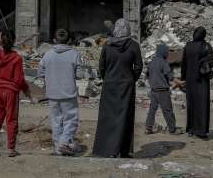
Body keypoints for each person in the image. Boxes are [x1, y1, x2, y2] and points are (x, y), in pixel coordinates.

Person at [92, 19, 143, 158]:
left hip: (110, 85)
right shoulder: (134, 46)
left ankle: (106, 150)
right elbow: (138, 67)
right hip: (126, 86)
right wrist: (131, 79)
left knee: (107, 118)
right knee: (124, 117)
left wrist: (107, 78)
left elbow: (101, 66)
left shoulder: (107, 46)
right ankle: (123, 150)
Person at [39, 29, 85, 156]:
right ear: (69, 40)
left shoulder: (47, 54)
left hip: (52, 93)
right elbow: (80, 74)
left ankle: (58, 146)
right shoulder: (74, 54)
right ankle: (64, 143)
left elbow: (40, 72)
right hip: (68, 93)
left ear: (54, 40)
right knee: (71, 120)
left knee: (56, 120)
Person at [0, 29, 31, 157]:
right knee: (11, 120)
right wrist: (26, 89)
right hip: (10, 92)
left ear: (0, 41)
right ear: (14, 41)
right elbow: (19, 79)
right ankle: (11, 149)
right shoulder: (17, 58)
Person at [182, 26, 213, 139]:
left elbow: (184, 63)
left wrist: (183, 78)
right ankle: (201, 131)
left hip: (190, 80)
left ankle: (191, 129)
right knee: (202, 105)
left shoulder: (188, 46)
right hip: (202, 81)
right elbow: (211, 62)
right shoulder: (206, 46)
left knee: (191, 104)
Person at [145, 44, 182, 135]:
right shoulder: (163, 62)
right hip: (163, 91)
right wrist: (180, 83)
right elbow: (170, 77)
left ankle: (148, 128)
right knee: (168, 110)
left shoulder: (151, 62)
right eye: (167, 52)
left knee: (152, 110)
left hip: (154, 91)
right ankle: (172, 129)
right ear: (163, 52)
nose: (167, 54)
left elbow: (147, 76)